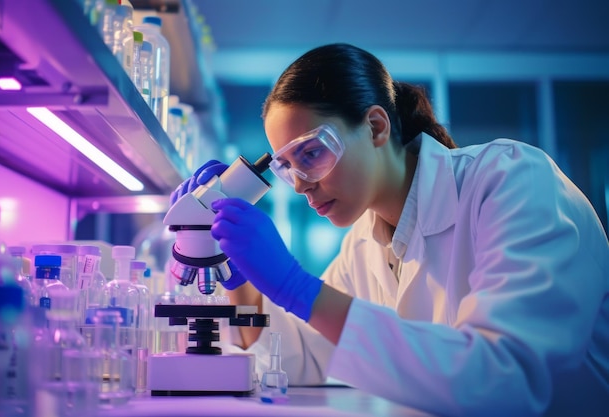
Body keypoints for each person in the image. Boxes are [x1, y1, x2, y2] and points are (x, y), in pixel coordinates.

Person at [170, 43, 609, 416]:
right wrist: (237, 272)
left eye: (310, 154)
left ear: (376, 127)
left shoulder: (513, 182)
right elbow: (301, 359)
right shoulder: (365, 241)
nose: (302, 185)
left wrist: (295, 286)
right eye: (286, 167)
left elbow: (505, 380)